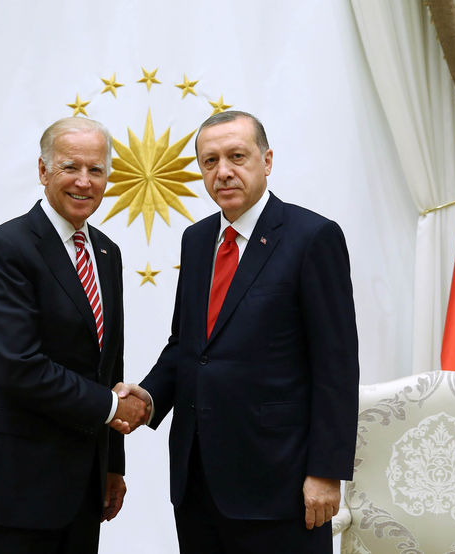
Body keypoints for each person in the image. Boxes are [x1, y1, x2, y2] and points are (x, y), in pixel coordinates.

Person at [120, 111, 359, 553]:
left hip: (281, 481)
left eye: (236, 156)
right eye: (209, 162)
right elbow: (189, 347)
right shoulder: (196, 240)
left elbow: (336, 366)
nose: (223, 171)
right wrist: (148, 398)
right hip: (197, 477)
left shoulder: (312, 237)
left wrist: (326, 471)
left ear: (266, 161)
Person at [0, 116, 149, 554]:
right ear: (43, 171)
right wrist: (111, 407)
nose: (84, 181)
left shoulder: (106, 251)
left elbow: (109, 366)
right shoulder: (7, 247)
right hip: (16, 489)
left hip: (84, 489)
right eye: (70, 167)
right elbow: (17, 366)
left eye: (96, 170)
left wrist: (112, 465)